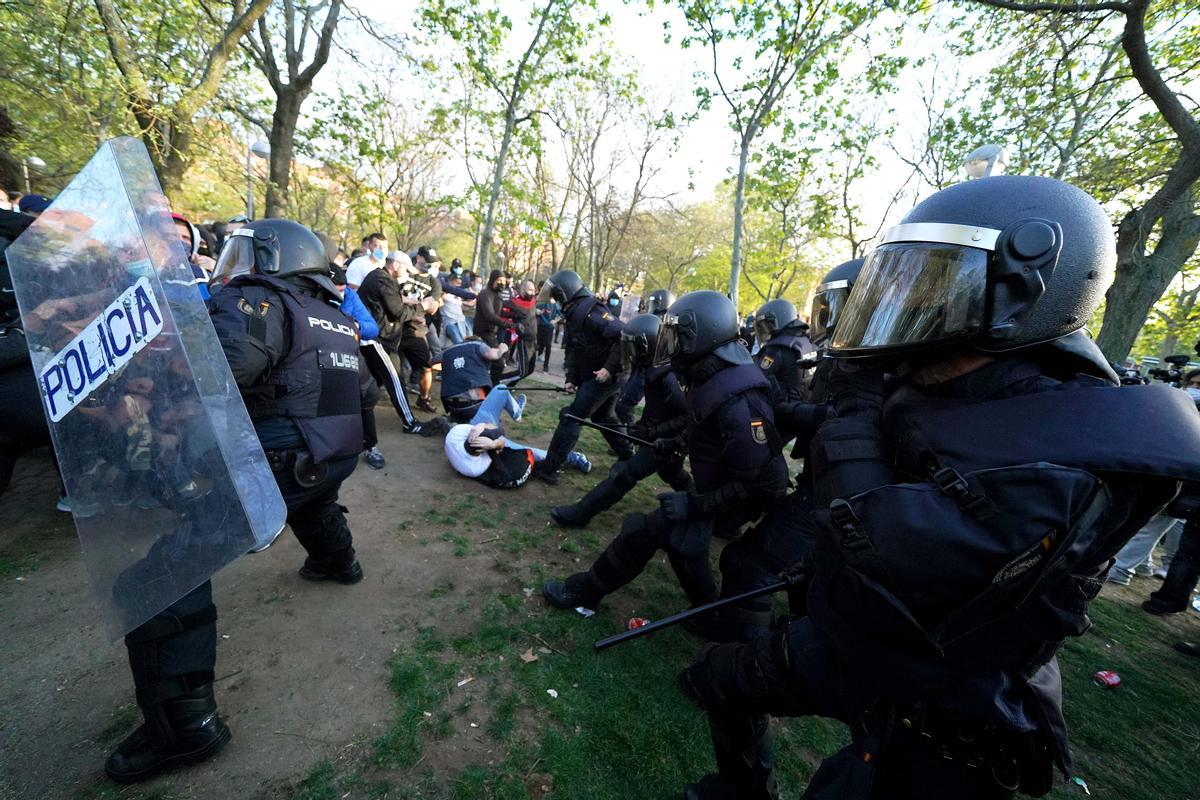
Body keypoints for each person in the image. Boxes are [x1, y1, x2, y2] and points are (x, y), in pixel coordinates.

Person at [677, 175, 1200, 800]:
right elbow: (900, 434)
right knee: (720, 679)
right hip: (855, 639)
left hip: (947, 705)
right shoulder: (949, 382)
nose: (915, 308)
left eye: (938, 284)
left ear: (1019, 291)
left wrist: (849, 417)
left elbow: (887, 544)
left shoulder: (1069, 453)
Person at [105, 219, 373, 784]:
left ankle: (185, 730)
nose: (236, 262)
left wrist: (159, 373)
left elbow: (224, 367)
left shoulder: (257, 299)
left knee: (162, 578)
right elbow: (363, 392)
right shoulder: (337, 317)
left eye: (246, 252)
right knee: (312, 498)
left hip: (284, 460)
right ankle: (337, 561)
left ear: (276, 258)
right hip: (329, 456)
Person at [542, 291, 789, 619]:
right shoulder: (713, 377)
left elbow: (760, 482)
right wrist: (673, 442)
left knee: (645, 532)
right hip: (719, 488)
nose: (671, 346)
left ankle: (586, 591)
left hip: (740, 500)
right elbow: (701, 424)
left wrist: (695, 504)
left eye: (678, 337)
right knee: (683, 544)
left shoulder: (740, 403)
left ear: (700, 337)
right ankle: (706, 614)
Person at [550, 313, 693, 527]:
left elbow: (688, 418)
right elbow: (660, 409)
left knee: (625, 474)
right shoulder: (655, 367)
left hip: (671, 440)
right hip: (666, 437)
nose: (630, 352)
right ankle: (718, 517)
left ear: (647, 346)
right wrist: (643, 427)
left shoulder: (669, 377)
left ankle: (580, 514)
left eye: (633, 347)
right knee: (672, 473)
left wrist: (652, 433)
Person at [533, 270, 634, 485]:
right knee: (603, 417)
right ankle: (628, 456)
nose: (555, 299)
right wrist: (571, 378)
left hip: (606, 377)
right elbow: (576, 349)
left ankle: (550, 469)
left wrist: (609, 367)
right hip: (598, 377)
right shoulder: (575, 311)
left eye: (556, 294)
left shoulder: (591, 310)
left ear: (565, 292)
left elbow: (622, 335)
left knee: (572, 416)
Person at [443, 385, 590, 488]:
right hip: (489, 444)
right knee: (535, 453)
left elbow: (493, 429)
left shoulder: (458, 433)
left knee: (500, 389)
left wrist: (481, 426)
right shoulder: (475, 467)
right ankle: (572, 457)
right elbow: (500, 441)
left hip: (476, 426)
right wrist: (493, 445)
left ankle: (516, 411)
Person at [356, 251, 428, 434]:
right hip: (378, 340)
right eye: (405, 267)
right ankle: (410, 422)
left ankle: (352, 414)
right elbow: (397, 312)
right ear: (395, 265)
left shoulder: (380, 278)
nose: (406, 272)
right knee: (395, 379)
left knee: (373, 382)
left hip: (377, 338)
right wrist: (422, 308)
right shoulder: (383, 280)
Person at [752, 298, 814, 402]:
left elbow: (758, 379)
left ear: (776, 321)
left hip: (785, 410)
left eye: (766, 325)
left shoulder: (776, 349)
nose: (764, 330)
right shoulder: (806, 341)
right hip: (808, 404)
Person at [441, 336, 511, 422]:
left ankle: (458, 420)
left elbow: (430, 362)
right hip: (473, 404)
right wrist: (502, 348)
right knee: (501, 390)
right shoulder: (478, 346)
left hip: (451, 405)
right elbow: (494, 355)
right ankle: (515, 413)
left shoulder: (447, 352)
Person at [473, 270, 517, 384]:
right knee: (499, 361)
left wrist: (516, 315)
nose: (502, 283)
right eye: (499, 281)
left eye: (503, 281)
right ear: (493, 280)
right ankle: (493, 385)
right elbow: (489, 315)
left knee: (493, 360)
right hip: (483, 333)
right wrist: (509, 324)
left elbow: (500, 312)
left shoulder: (497, 295)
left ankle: (489, 384)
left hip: (492, 334)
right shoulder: (485, 294)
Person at [536, 289, 561, 371]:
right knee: (538, 344)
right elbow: (534, 308)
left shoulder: (556, 305)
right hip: (540, 326)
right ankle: (533, 360)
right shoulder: (542, 302)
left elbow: (562, 314)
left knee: (548, 346)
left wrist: (555, 320)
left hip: (549, 328)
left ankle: (546, 365)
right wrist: (537, 311)